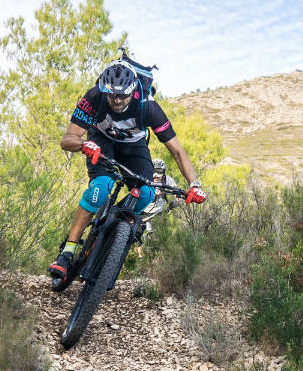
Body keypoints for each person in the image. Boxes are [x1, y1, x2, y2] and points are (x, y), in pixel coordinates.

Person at [48, 59, 206, 290]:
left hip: (134, 148)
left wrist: (194, 184)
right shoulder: (94, 97)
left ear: (134, 91)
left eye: (123, 95)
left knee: (145, 194)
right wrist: (83, 145)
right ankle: (67, 253)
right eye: (112, 96)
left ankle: (113, 234)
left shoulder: (149, 107)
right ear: (104, 90)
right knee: (99, 190)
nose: (118, 100)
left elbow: (178, 152)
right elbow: (67, 140)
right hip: (101, 142)